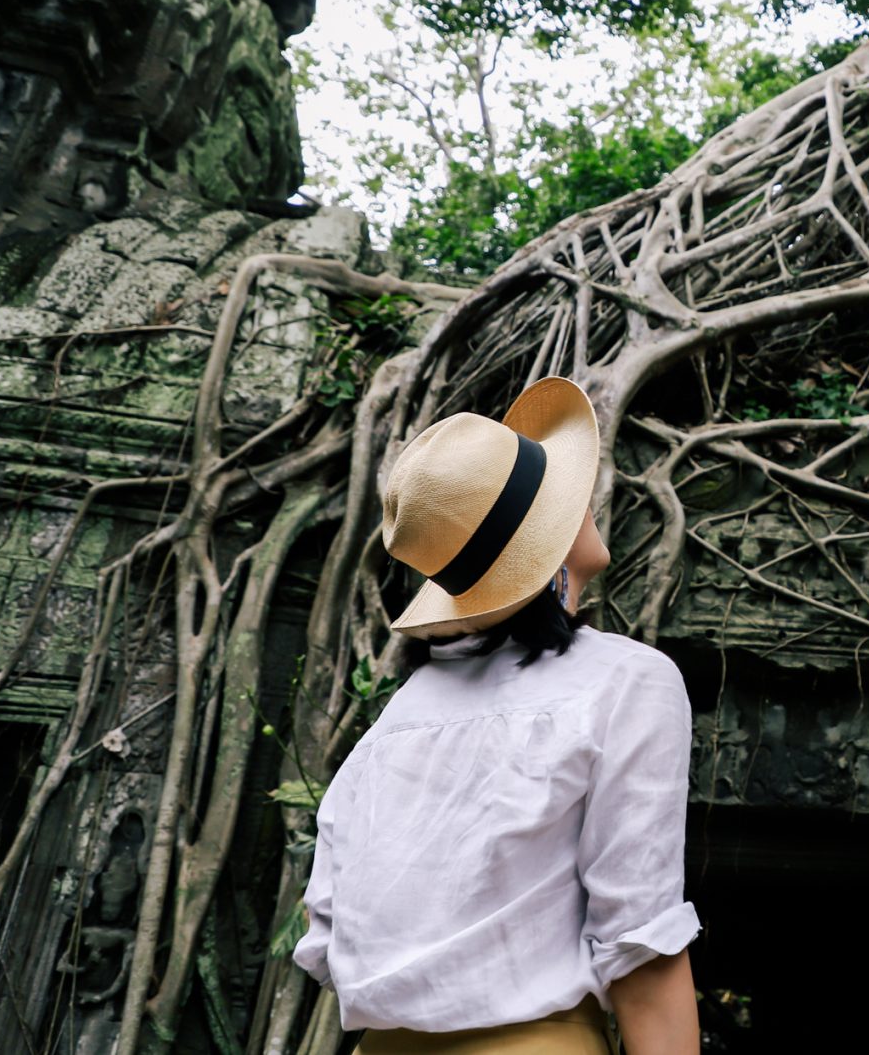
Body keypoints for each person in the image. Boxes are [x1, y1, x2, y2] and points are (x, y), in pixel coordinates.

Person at [293, 377, 702, 1055]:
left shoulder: (398, 718)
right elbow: (642, 947)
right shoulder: (627, 680)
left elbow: (325, 925)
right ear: (544, 546)